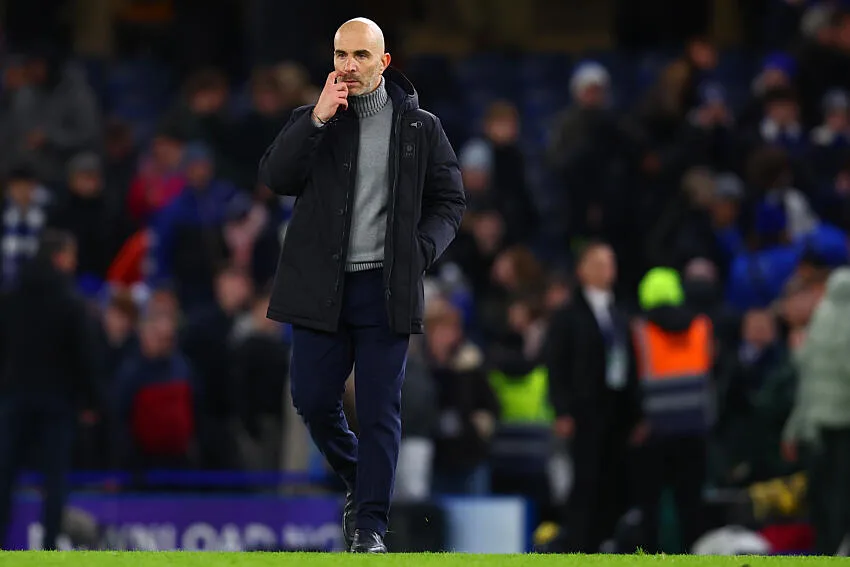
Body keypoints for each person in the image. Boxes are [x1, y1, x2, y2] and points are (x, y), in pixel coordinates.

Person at [258, 17, 465, 553]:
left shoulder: (421, 128)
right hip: (319, 287)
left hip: (384, 289)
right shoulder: (314, 118)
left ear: (384, 63)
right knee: (311, 398)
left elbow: (450, 201)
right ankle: (360, 478)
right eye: (340, 55)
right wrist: (317, 119)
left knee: (379, 411)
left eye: (360, 55)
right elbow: (275, 177)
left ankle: (370, 527)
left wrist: (420, 252)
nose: (348, 65)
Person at [0, 229, 101, 549]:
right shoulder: (70, 303)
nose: (74, 263)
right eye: (71, 256)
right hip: (57, 403)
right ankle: (48, 549)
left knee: (4, 475)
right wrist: (92, 402)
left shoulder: (11, 298)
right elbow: (85, 357)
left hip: (14, 399)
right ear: (59, 257)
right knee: (55, 479)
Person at [544, 241, 645, 553]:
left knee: (614, 479)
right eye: (599, 263)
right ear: (582, 270)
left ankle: (607, 543)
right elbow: (556, 365)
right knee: (585, 481)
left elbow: (633, 363)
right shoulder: (567, 315)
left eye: (610, 263)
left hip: (618, 408)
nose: (606, 270)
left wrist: (638, 413)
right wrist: (562, 410)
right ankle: (580, 545)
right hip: (585, 409)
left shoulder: (622, 312)